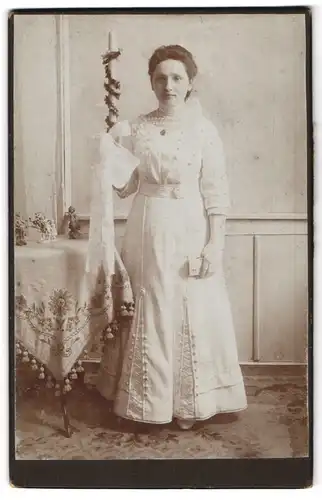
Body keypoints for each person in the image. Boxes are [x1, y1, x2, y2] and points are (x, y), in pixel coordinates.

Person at [94, 44, 247, 430]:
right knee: (152, 303)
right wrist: (109, 151)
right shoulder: (135, 128)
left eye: (177, 77)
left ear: (190, 82)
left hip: (190, 226)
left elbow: (216, 192)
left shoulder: (204, 130)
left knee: (189, 304)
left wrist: (216, 243)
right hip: (147, 227)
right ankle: (148, 402)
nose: (168, 85)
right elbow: (126, 188)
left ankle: (189, 402)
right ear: (150, 82)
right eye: (160, 77)